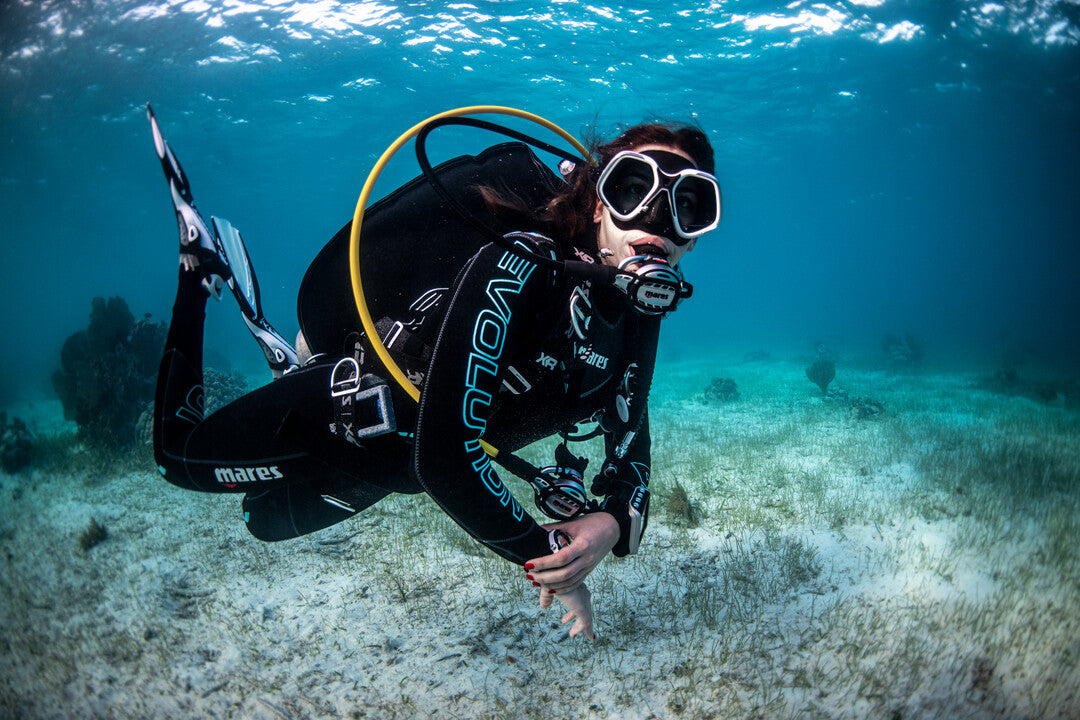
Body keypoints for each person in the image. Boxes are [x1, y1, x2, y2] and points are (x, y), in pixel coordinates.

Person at [148, 105, 720, 640]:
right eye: (632, 187)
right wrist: (552, 560)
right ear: (599, 202)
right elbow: (448, 458)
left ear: (695, 239)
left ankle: (285, 368)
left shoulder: (636, 318)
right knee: (177, 457)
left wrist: (611, 525)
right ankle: (197, 271)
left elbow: (631, 447)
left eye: (689, 204)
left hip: (391, 469)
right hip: (354, 412)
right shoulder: (520, 262)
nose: (658, 219)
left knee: (264, 521)